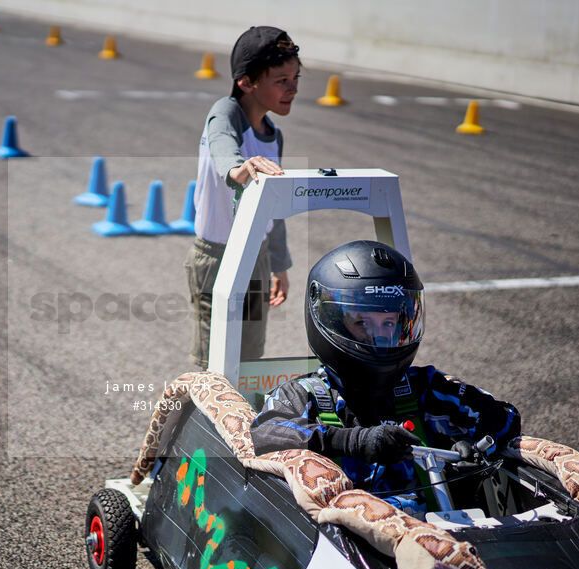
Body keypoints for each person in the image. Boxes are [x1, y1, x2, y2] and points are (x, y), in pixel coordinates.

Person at [250, 240, 522, 514]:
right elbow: (265, 432)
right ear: (330, 320)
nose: (378, 337)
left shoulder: (425, 387)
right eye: (362, 323)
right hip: (346, 540)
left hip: (437, 533)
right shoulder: (303, 394)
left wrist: (477, 447)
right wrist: (354, 441)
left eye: (388, 323)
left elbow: (503, 414)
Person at [186, 26, 300, 369]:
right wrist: (237, 168)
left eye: (295, 78)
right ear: (247, 82)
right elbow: (222, 141)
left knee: (248, 360)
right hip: (217, 259)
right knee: (213, 365)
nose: (292, 88)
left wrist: (279, 263)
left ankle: (241, 423)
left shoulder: (273, 136)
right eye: (281, 80)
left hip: (257, 258)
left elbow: (274, 206)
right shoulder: (225, 112)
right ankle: (201, 422)